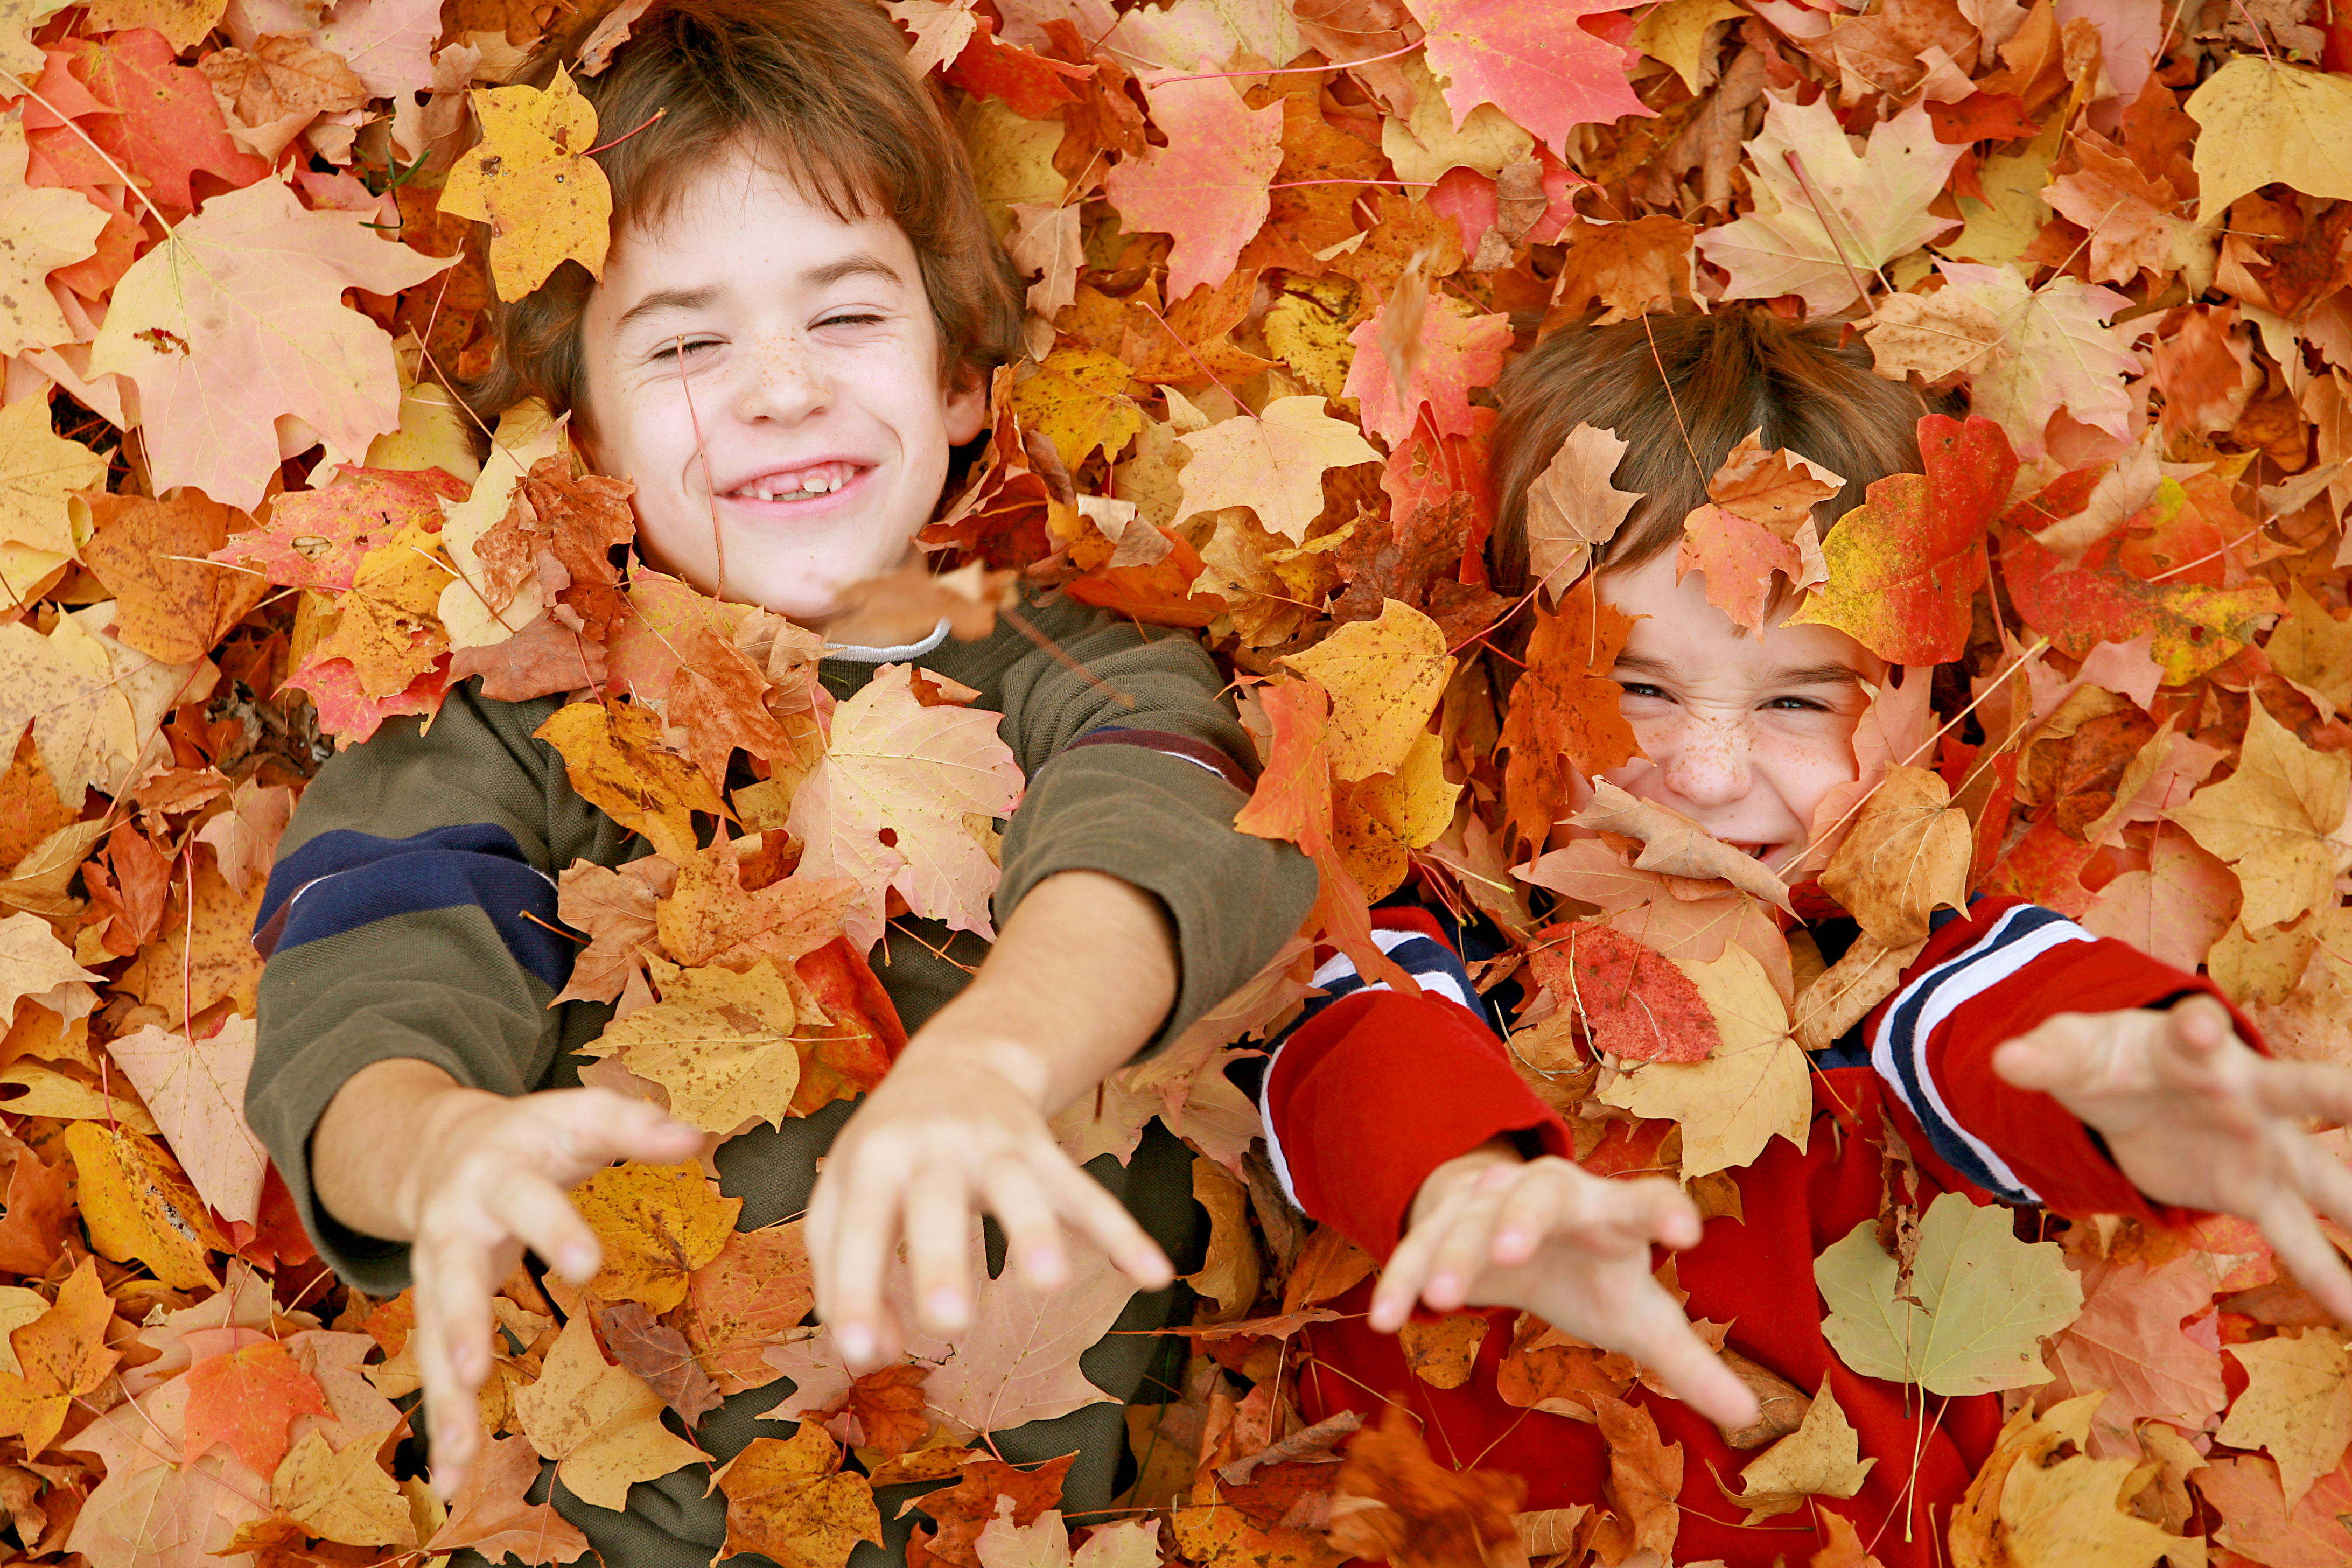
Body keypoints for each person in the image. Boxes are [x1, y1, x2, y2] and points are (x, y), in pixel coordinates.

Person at [241, 1, 1317, 1561]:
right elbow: (372, 986)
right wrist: (434, 1147)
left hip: (1083, 1527)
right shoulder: (500, 733)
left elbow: (1170, 816)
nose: (781, 388)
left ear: (960, 383)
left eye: (846, 317)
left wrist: (999, 1055)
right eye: (686, 342)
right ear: (589, 436)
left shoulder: (1058, 650)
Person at [1254, 310, 2352, 1566]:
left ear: (1928, 714)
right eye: (1638, 688)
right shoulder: (1433, 943)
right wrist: (1463, 1171)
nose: (1709, 778)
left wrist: (2136, 1074)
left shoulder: (1900, 994)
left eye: (1794, 700)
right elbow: (1353, 1050)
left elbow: (2014, 1026)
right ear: (1513, 682)